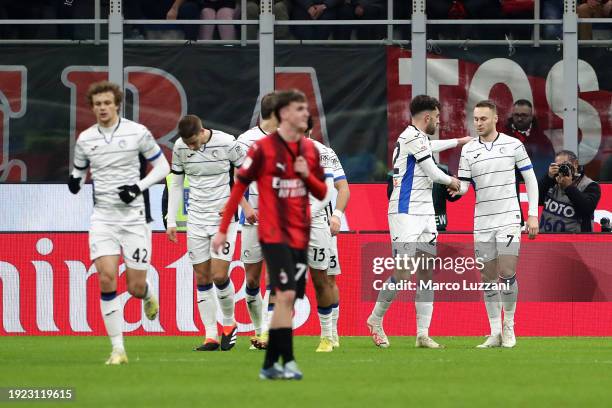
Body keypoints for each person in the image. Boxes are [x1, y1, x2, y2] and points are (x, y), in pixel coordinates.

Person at [213, 89, 327, 380]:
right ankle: (279, 358)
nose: (305, 115)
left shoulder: (310, 150)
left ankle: (273, 361)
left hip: (299, 232)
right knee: (278, 290)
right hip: (271, 230)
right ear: (283, 114)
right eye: (298, 109)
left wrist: (306, 176)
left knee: (288, 296)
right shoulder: (260, 148)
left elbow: (321, 191)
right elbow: (238, 187)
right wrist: (224, 228)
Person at [68, 81, 170, 365]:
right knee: (106, 277)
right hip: (103, 218)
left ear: (116, 105)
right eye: (97, 104)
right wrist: (75, 181)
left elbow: (163, 167)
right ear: (92, 107)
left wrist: (137, 187)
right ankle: (118, 350)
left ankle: (148, 293)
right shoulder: (86, 139)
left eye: (106, 103)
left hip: (135, 218)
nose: (102, 108)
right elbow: (78, 170)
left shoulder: (137, 133)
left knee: (134, 288)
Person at [366, 95, 463, 350]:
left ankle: (422, 334)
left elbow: (433, 146)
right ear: (427, 117)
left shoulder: (417, 138)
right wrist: (453, 182)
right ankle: (375, 320)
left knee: (426, 273)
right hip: (405, 212)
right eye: (438, 118)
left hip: (426, 214)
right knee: (403, 271)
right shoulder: (412, 137)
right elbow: (432, 171)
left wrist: (459, 141)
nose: (439, 123)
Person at [453, 100, 539, 349]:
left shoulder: (513, 145)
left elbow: (530, 179)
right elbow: (466, 186)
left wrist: (531, 214)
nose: (478, 123)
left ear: (495, 119)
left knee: (507, 272)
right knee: (487, 277)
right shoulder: (468, 150)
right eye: (476, 119)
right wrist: (454, 187)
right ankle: (494, 332)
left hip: (509, 218)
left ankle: (509, 326)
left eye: (483, 119)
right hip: (482, 221)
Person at [166, 114, 246, 352]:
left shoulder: (227, 143)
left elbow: (245, 175)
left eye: (193, 142)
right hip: (196, 220)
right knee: (202, 278)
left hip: (224, 218)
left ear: (202, 132)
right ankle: (210, 335)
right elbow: (177, 184)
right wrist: (171, 221)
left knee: (219, 275)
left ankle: (230, 324)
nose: (190, 147)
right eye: (187, 143)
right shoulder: (180, 147)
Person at [236, 92, 278, 350]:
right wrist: (246, 206)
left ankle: (266, 335)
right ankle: (258, 328)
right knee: (252, 281)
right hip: (252, 218)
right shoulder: (246, 141)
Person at [304, 117, 348, 352]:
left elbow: (343, 188)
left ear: (309, 130)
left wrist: (337, 215)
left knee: (327, 278)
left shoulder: (324, 153)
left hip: (322, 223)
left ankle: (331, 333)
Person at [539, 150, 601, 232]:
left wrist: (568, 187)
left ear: (575, 164)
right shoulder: (551, 181)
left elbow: (587, 209)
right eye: (559, 166)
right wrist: (548, 177)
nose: (562, 169)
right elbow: (538, 200)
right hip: (546, 239)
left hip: (573, 241)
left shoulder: (590, 185)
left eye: (565, 165)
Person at [504, 99, 555, 181]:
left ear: (531, 116)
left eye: (524, 115)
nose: (520, 119)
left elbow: (548, 167)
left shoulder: (542, 141)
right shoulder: (502, 137)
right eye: (516, 115)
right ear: (512, 115)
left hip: (536, 185)